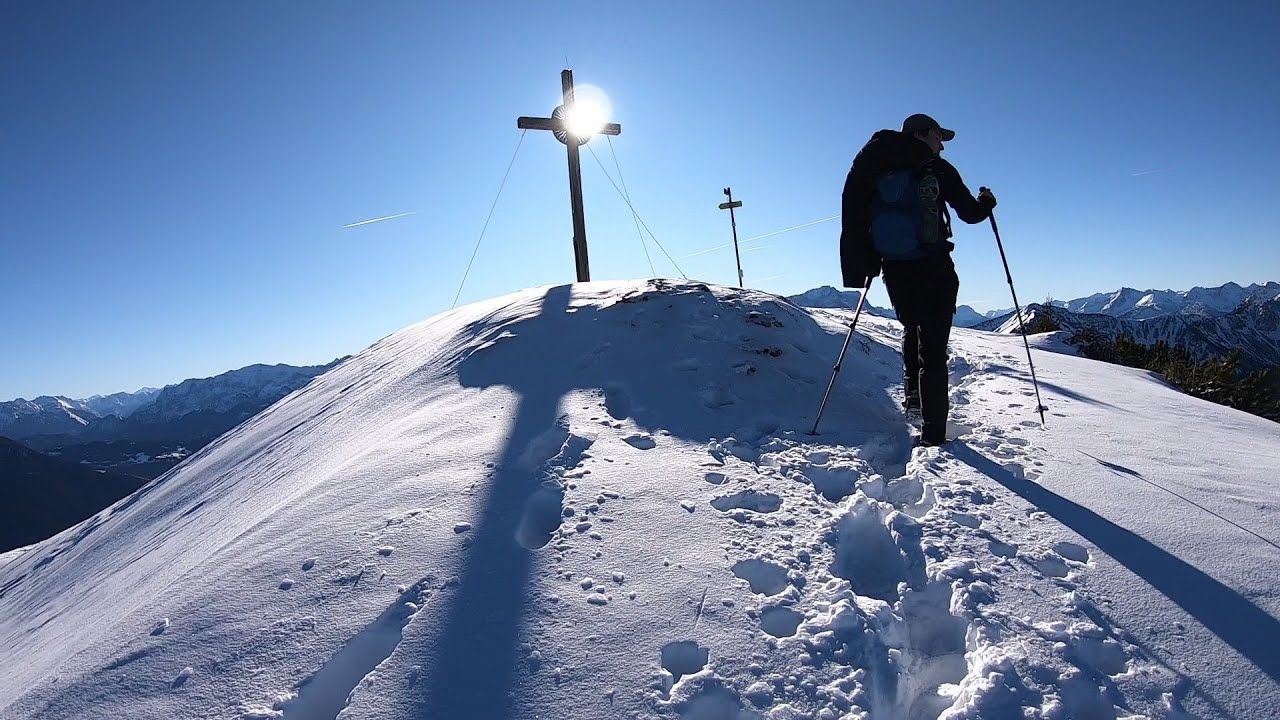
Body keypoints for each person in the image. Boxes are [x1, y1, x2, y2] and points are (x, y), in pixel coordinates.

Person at [839, 113, 997, 446]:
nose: (942, 145)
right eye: (939, 137)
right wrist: (987, 201)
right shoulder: (935, 167)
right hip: (933, 266)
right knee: (934, 349)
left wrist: (861, 265)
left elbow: (854, 216)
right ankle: (933, 432)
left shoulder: (872, 167)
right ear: (922, 134)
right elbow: (970, 214)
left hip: (895, 269)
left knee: (913, 329)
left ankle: (913, 401)